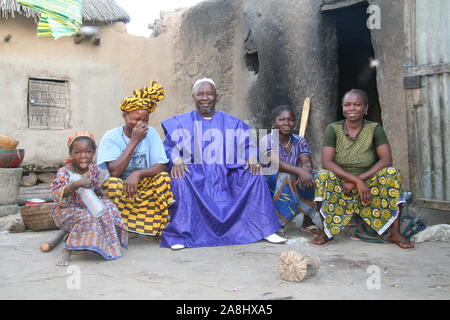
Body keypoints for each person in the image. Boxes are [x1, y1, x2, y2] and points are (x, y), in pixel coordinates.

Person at [160, 78, 286, 250]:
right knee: (179, 178)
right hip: (195, 179)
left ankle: (264, 229)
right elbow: (167, 148)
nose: (205, 98)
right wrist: (176, 159)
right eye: (200, 94)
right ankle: (181, 235)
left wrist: (251, 157)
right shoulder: (181, 123)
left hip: (227, 178)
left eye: (209, 94)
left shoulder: (232, 123)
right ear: (193, 97)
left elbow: (248, 145)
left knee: (254, 173)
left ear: (216, 97)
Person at [312, 89, 414, 249]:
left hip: (369, 182)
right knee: (322, 176)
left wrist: (360, 180)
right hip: (342, 182)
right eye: (347, 105)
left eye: (357, 104)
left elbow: (386, 160)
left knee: (392, 174)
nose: (351, 108)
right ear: (342, 108)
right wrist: (355, 181)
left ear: (365, 108)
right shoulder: (333, 129)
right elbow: (327, 162)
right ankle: (327, 231)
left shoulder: (374, 128)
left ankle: (395, 233)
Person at [97, 81, 175, 237]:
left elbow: (161, 166)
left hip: (143, 184)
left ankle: (156, 227)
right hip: (122, 185)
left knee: (163, 179)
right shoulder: (111, 137)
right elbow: (114, 172)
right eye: (136, 119)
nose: (141, 124)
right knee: (111, 184)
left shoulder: (151, 133)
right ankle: (121, 227)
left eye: (145, 120)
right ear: (124, 116)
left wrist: (137, 174)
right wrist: (134, 141)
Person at [51, 131, 128, 267]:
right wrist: (74, 185)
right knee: (88, 217)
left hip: (88, 206)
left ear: (93, 153)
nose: (83, 156)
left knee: (109, 207)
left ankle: (109, 244)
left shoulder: (93, 170)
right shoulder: (64, 172)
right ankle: (68, 249)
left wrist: (102, 194)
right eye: (77, 152)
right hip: (66, 211)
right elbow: (57, 194)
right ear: (71, 154)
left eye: (88, 151)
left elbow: (96, 188)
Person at [260, 105, 320, 235]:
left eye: (290, 119)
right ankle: (278, 223)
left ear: (294, 123)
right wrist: (300, 172)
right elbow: (277, 163)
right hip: (271, 180)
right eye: (281, 119)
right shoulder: (267, 140)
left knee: (318, 176)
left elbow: (305, 159)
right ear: (273, 123)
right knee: (285, 175)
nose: (286, 123)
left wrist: (306, 169)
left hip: (294, 176)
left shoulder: (299, 140)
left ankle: (307, 220)